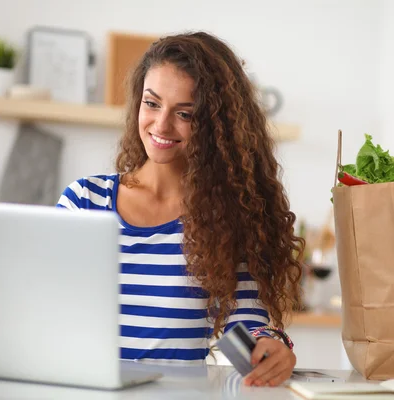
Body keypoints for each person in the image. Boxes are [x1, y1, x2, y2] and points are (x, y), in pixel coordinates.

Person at [56, 31, 305, 387]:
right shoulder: (84, 201)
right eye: (152, 103)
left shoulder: (224, 218)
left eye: (185, 113)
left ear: (216, 126)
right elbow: (44, 309)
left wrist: (272, 345)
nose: (161, 125)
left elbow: (246, 324)